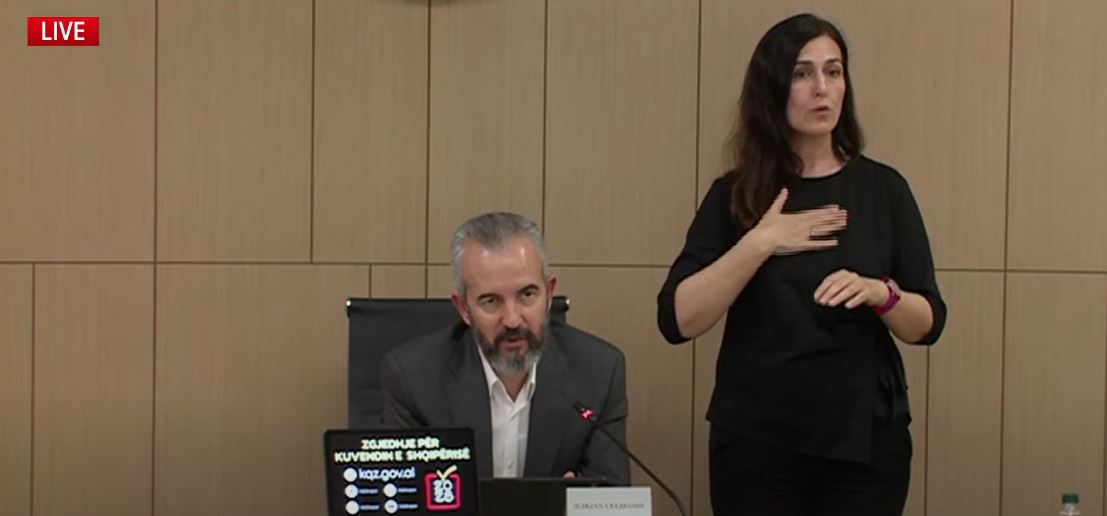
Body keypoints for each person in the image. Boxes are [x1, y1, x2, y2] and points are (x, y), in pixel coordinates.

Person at [656, 13, 946, 516]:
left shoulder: (884, 190)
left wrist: (881, 293)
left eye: (833, 72)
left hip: (864, 445)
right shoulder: (735, 194)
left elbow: (928, 323)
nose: (821, 89)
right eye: (802, 73)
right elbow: (677, 320)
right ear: (773, 88)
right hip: (756, 447)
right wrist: (761, 241)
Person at [381, 212, 631, 484]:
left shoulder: (599, 373)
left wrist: (582, 502)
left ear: (549, 294)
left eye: (527, 295)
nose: (512, 320)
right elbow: (405, 495)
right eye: (491, 301)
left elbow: (612, 495)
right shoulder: (414, 379)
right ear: (464, 309)